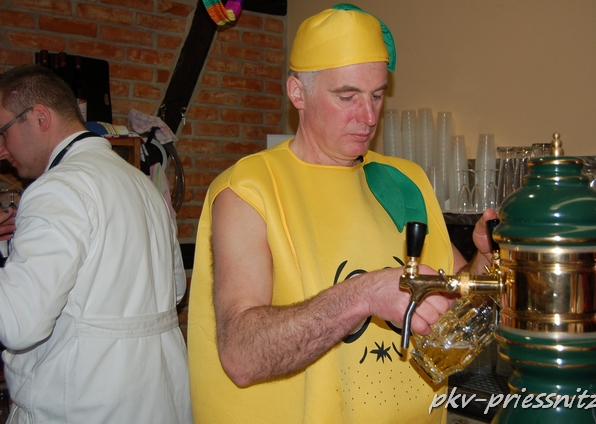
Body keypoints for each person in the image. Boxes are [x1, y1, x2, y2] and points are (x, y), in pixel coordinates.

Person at [188, 4, 497, 423]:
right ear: (298, 93)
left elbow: (454, 308)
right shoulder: (248, 190)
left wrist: (485, 262)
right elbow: (242, 355)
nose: (368, 117)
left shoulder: (404, 180)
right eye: (347, 97)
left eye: (376, 96)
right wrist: (365, 294)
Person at [0, 65, 192, 423]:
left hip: (82, 403)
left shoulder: (56, 188)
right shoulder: (142, 184)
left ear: (40, 117)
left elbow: (17, 323)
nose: (0, 150)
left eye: (2, 131)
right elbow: (174, 289)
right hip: (155, 397)